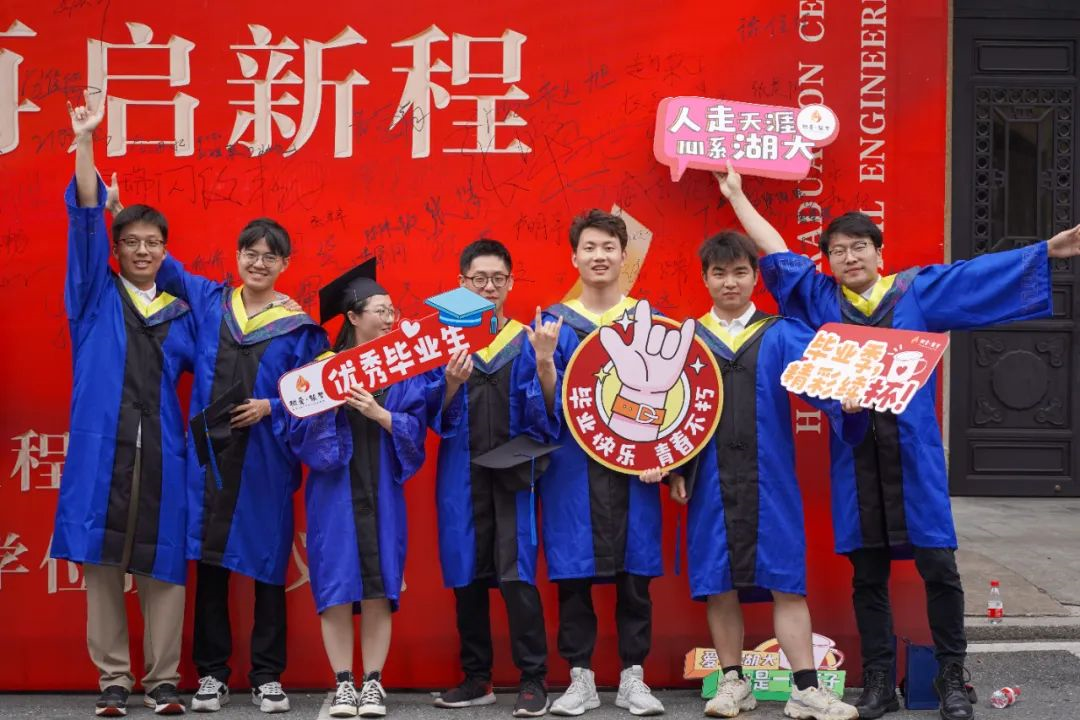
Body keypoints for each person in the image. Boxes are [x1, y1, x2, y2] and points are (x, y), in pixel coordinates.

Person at [718, 162, 1080, 720]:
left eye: (859, 247)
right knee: (867, 575)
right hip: (855, 458)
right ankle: (879, 682)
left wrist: (1046, 252)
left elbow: (976, 275)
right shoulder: (820, 299)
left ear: (879, 253)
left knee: (939, 568)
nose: (850, 258)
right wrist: (737, 195)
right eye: (838, 251)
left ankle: (953, 678)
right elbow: (775, 251)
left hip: (914, 457)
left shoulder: (916, 292)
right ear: (827, 260)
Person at [668, 230, 862, 720]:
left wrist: (846, 401)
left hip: (770, 477)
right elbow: (672, 413)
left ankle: (806, 688)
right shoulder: (685, 340)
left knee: (786, 580)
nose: (729, 282)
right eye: (719, 273)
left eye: (740, 272)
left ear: (756, 277)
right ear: (705, 279)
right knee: (719, 582)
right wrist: (677, 468)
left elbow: (825, 382)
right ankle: (733, 684)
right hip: (711, 478)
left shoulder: (782, 333)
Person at [147, 218, 326, 713]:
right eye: (251, 252)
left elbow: (315, 392)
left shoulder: (300, 328)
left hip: (266, 460)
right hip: (211, 460)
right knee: (210, 566)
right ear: (238, 255)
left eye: (270, 256)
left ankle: (267, 676)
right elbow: (165, 266)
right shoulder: (212, 302)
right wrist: (117, 213)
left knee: (268, 567)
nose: (258, 263)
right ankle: (212, 673)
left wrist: (271, 406)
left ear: (285, 264)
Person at [53, 90, 195, 716]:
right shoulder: (93, 297)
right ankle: (113, 678)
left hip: (162, 452)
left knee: (163, 565)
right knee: (104, 564)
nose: (141, 250)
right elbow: (86, 220)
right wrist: (85, 141)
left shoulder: (181, 313)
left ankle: (163, 680)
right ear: (115, 249)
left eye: (152, 243)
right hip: (103, 451)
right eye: (130, 241)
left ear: (165, 251)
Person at [523, 209, 666, 717]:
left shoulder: (649, 323)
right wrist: (544, 361)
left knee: (635, 578)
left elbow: (673, 404)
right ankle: (579, 679)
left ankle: (633, 678)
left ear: (624, 256)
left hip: (634, 468)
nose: (599, 256)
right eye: (589, 247)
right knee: (573, 577)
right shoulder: (552, 325)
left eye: (608, 247)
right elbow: (541, 411)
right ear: (574, 257)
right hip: (572, 470)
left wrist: (665, 459)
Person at [282, 260, 427, 718]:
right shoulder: (320, 370)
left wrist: (379, 414)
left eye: (392, 310)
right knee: (338, 584)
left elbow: (416, 427)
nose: (389, 318)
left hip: (382, 491)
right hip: (335, 494)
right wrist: (329, 406)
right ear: (353, 316)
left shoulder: (400, 367)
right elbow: (297, 434)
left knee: (380, 584)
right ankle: (344, 682)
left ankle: (373, 683)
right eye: (380, 311)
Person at [426, 240, 552, 717]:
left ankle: (533, 679)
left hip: (514, 474)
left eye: (498, 279)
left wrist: (545, 363)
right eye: (479, 279)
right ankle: (477, 678)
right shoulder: (443, 343)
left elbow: (545, 414)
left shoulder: (526, 340)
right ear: (461, 283)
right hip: (461, 474)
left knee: (517, 577)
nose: (489, 287)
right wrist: (451, 383)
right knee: (468, 574)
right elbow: (428, 412)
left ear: (511, 283)